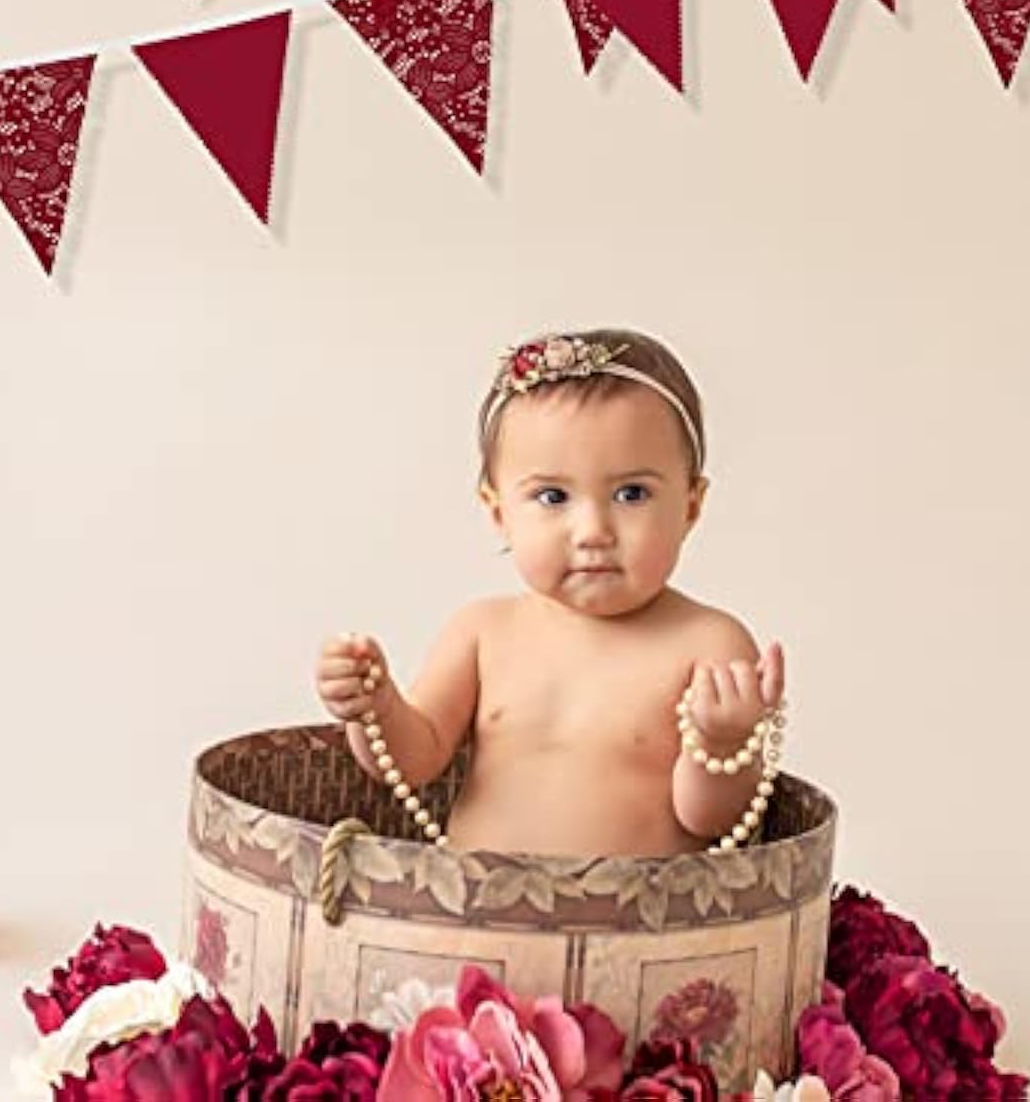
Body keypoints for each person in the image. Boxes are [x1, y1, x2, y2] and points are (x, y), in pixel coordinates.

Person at [315, 328, 787, 856]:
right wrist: (372, 709)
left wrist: (722, 745)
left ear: (691, 506)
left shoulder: (707, 644)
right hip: (469, 920)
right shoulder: (483, 632)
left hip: (635, 927)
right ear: (499, 513)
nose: (593, 530)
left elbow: (714, 821)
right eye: (552, 496)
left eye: (632, 494)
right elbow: (409, 763)